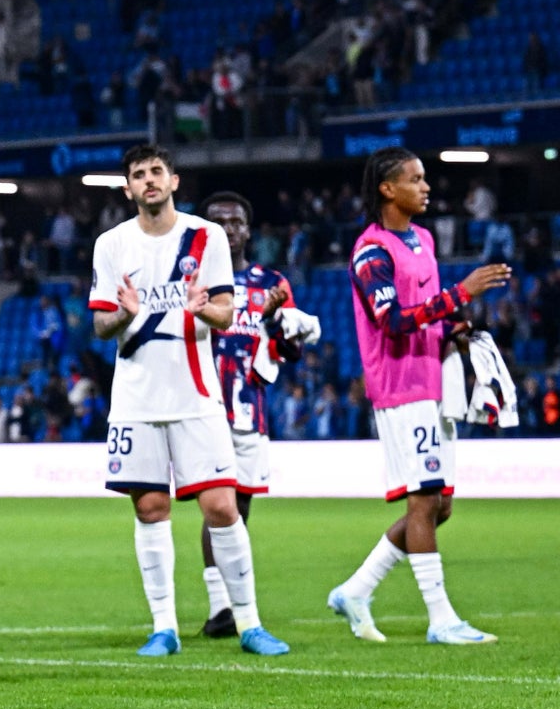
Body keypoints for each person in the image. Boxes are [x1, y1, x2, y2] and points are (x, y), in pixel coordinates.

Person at [90, 145, 289, 659]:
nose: (149, 181)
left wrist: (206, 311)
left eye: (157, 171)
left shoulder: (208, 236)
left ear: (173, 180)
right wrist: (125, 314)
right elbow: (101, 325)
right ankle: (165, 628)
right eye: (139, 175)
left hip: (198, 395)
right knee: (151, 508)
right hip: (135, 399)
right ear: (128, 189)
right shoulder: (111, 245)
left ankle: (249, 623)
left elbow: (226, 313)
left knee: (223, 507)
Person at [328, 148, 512, 645]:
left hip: (436, 375)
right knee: (423, 499)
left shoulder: (423, 239)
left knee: (438, 506)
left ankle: (356, 590)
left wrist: (455, 327)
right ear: (388, 189)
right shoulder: (372, 250)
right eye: (415, 179)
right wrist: (460, 294)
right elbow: (392, 320)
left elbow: (424, 312)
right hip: (400, 384)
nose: (426, 187)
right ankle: (441, 619)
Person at [197, 192, 322, 639]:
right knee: (216, 505)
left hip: (250, 407)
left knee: (241, 506)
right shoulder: (190, 279)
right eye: (218, 221)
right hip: (202, 407)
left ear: (249, 230)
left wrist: (274, 323)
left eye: (236, 222)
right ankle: (220, 609)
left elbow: (288, 348)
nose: (228, 230)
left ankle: (233, 602)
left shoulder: (272, 283)